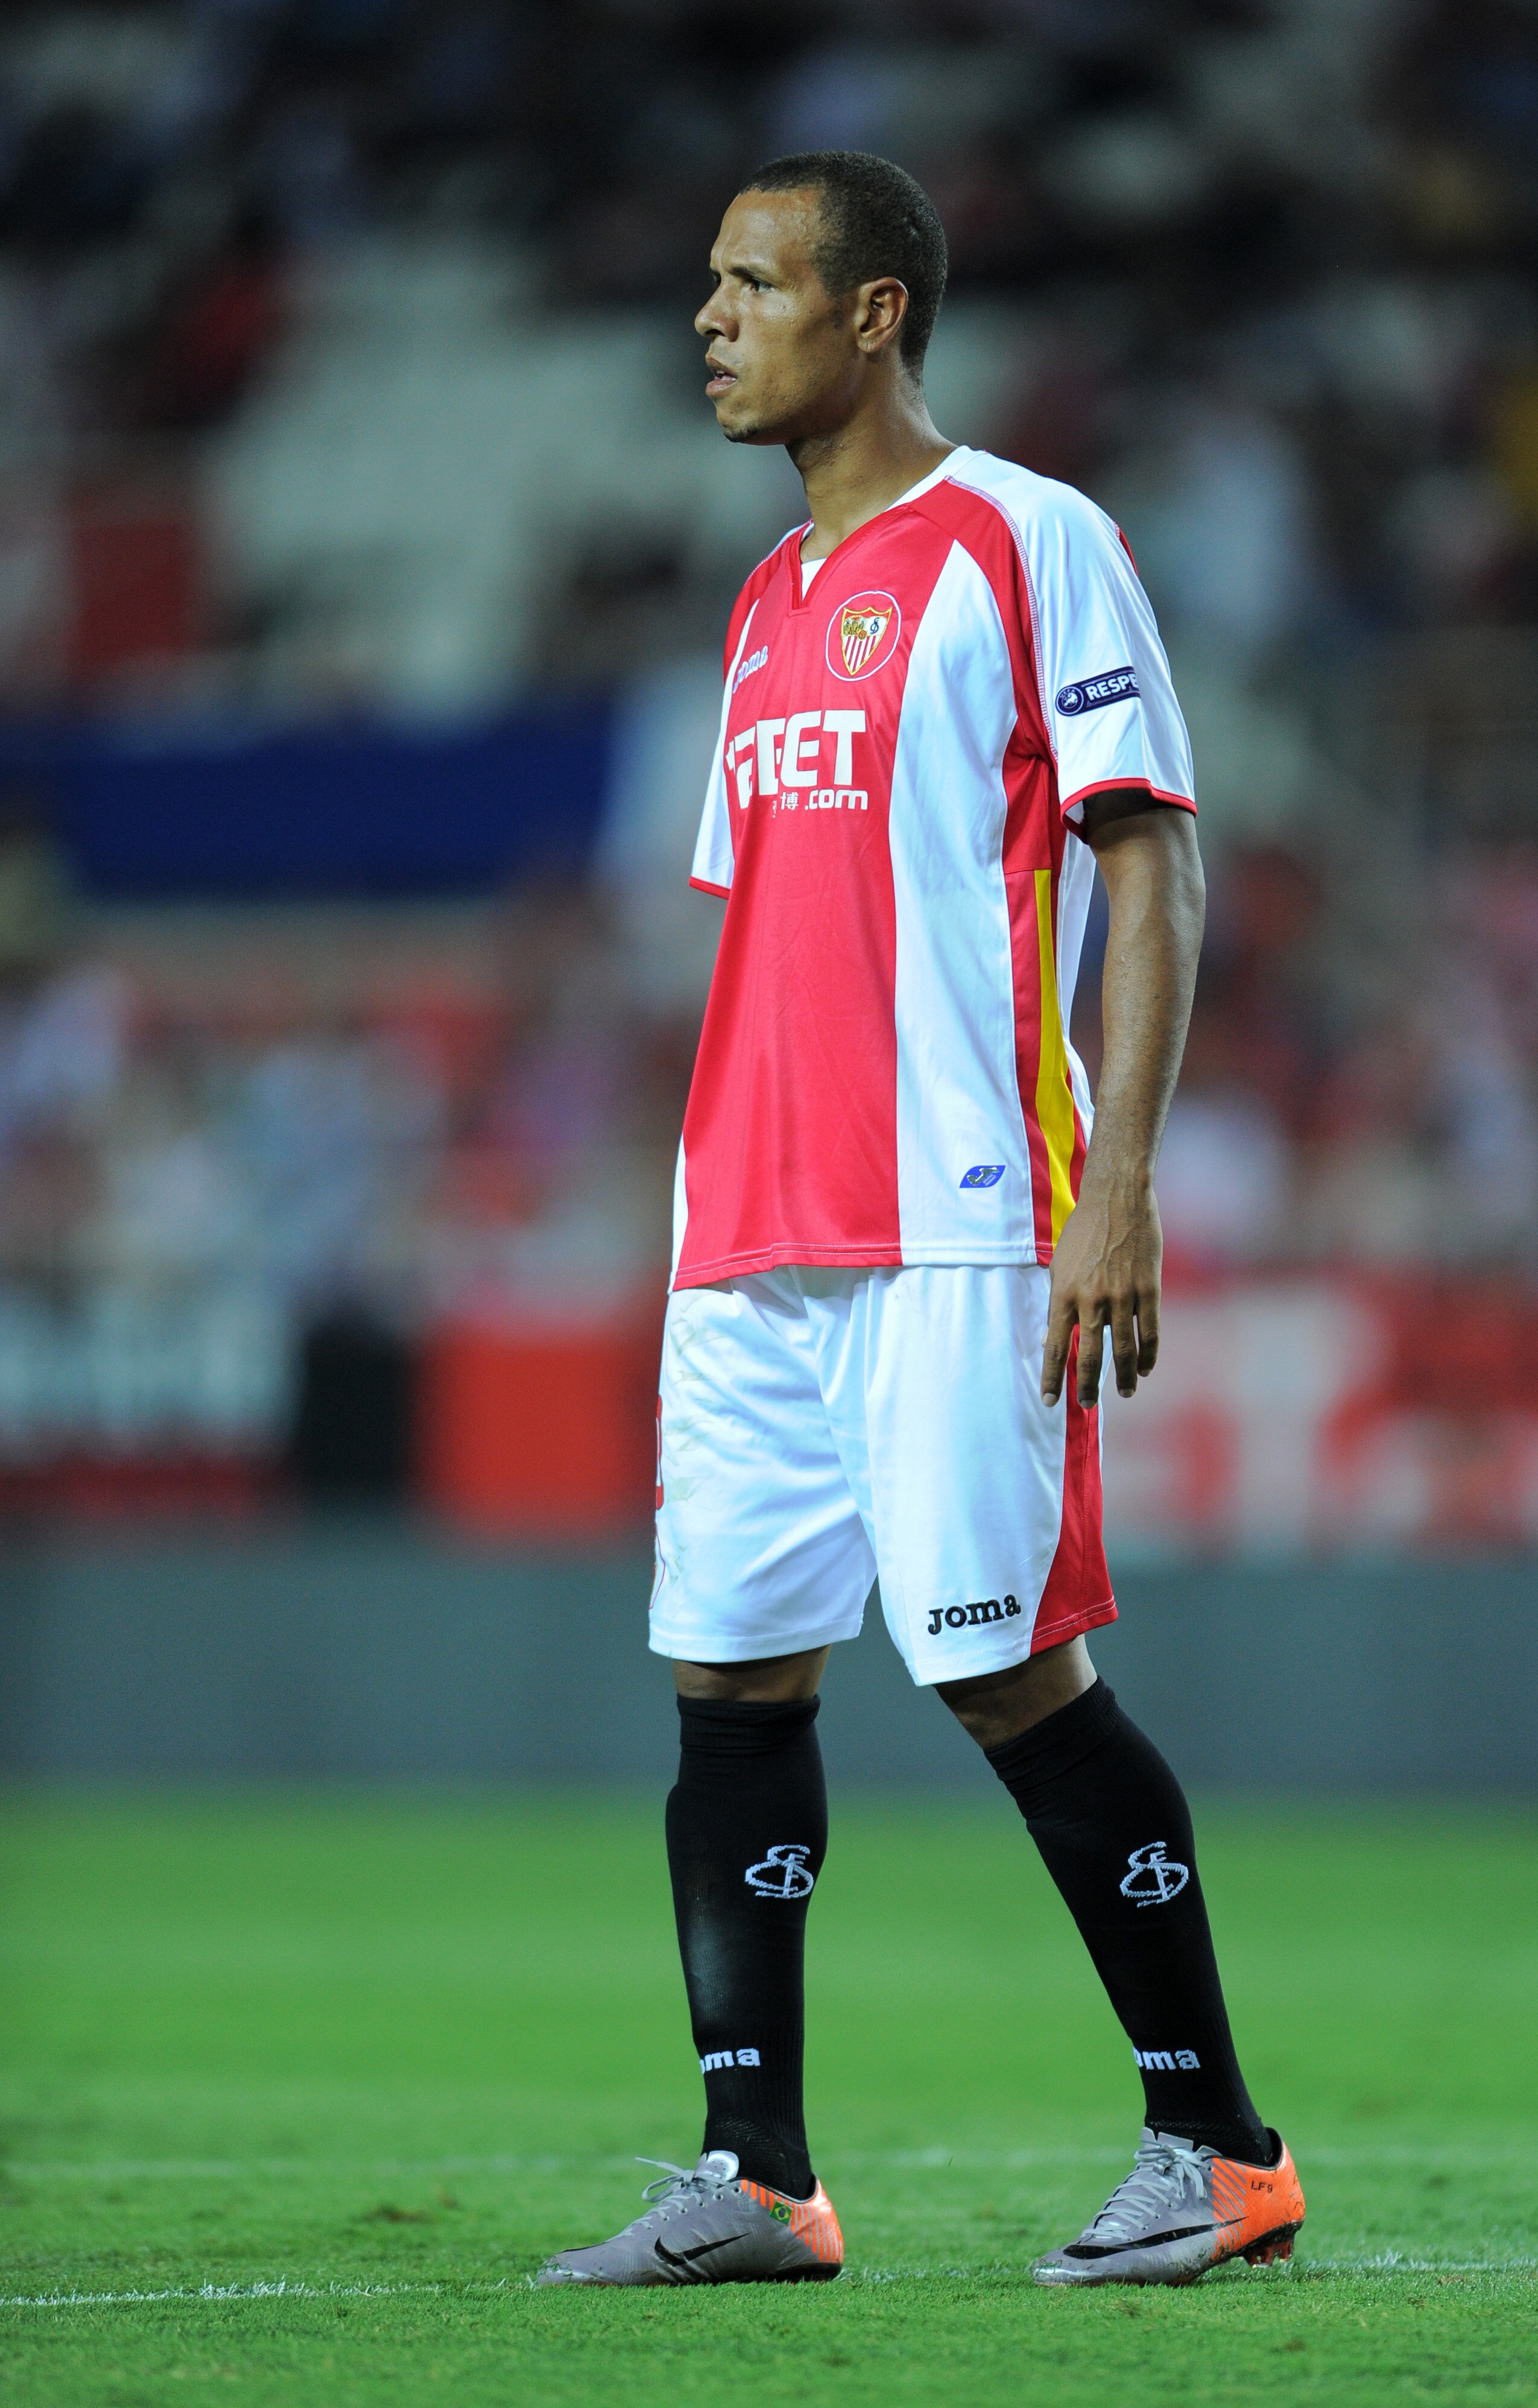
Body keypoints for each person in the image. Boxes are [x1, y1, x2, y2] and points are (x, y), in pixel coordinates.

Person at [538, 150, 1303, 2292]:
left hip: (960, 1215)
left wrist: (1117, 1180)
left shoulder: (1030, 538)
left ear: (874, 313)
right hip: (743, 1235)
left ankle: (1218, 2147)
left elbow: (1151, 857)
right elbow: (774, 930)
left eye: (754, 282)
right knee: (727, 1681)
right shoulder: (764, 605)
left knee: (1012, 1678)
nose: (710, 319)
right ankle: (757, 2176)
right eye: (706, 282)